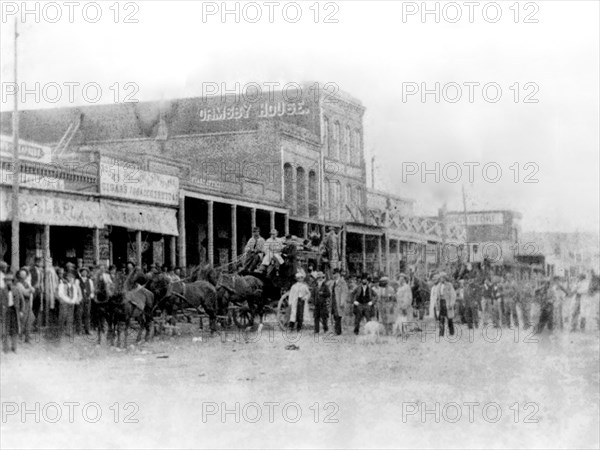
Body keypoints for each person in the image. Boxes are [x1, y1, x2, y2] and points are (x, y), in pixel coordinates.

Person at [429, 272, 456, 337]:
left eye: (443, 278)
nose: (441, 279)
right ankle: (441, 333)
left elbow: (453, 295)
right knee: (441, 318)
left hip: (447, 303)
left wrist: (451, 304)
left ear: (445, 278)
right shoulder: (438, 285)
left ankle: (451, 332)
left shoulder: (449, 285)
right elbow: (436, 295)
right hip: (441, 303)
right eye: (440, 278)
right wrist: (436, 303)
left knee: (449, 318)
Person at [57, 270, 82, 338]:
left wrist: (73, 301)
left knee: (70, 318)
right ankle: (60, 332)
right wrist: (68, 300)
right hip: (64, 303)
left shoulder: (73, 286)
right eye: (69, 277)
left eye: (72, 277)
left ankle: (69, 331)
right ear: (66, 277)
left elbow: (75, 295)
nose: (71, 278)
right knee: (62, 317)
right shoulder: (62, 285)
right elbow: (61, 294)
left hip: (71, 304)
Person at [1, 272, 21, 353]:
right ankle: (5, 348)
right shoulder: (2, 291)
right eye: (7, 280)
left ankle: (14, 347)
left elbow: (21, 300)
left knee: (15, 330)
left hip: (14, 311)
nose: (9, 282)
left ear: (13, 281)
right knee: (5, 329)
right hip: (6, 311)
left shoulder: (16, 289)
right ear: (5, 281)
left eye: (10, 280)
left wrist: (21, 311)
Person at [327, 268, 347, 335]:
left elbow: (344, 292)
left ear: (338, 274)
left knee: (338, 316)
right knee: (334, 316)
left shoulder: (342, 282)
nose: (334, 275)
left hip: (338, 301)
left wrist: (342, 301)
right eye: (333, 274)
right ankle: (335, 330)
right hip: (333, 301)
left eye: (335, 273)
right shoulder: (333, 282)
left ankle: (338, 331)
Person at [76, 268, 94, 335]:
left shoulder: (90, 281)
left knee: (87, 315)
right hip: (80, 299)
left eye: (86, 272)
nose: (84, 273)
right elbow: (76, 291)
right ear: (81, 273)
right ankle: (79, 330)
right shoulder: (77, 281)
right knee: (79, 315)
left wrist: (90, 296)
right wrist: (78, 298)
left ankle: (87, 330)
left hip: (87, 300)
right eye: (83, 272)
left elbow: (92, 290)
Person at [30, 256, 45, 330]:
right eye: (41, 262)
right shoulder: (32, 270)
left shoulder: (41, 271)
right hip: (33, 290)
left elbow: (41, 281)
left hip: (39, 290)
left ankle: (36, 324)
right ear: (37, 262)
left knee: (38, 307)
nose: (42, 263)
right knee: (32, 306)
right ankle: (31, 324)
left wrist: (42, 288)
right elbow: (30, 280)